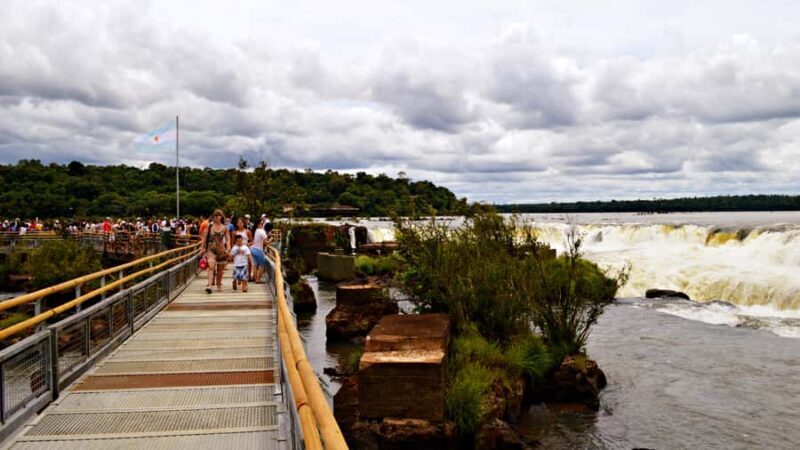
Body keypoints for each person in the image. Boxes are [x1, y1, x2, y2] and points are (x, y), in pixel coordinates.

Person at [201, 209, 230, 294]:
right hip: (211, 249)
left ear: (221, 217)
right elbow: (205, 238)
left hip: (221, 249)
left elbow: (228, 239)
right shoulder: (210, 226)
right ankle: (209, 285)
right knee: (211, 266)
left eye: (219, 215)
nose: (217, 217)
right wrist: (202, 248)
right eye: (216, 215)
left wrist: (228, 248)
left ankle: (218, 284)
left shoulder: (224, 228)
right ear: (213, 217)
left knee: (220, 269)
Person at [250, 218, 269, 283]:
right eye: (262, 223)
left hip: (253, 249)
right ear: (259, 224)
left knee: (255, 265)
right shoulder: (262, 231)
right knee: (262, 265)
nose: (263, 224)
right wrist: (270, 240)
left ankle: (255, 278)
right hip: (259, 250)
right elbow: (265, 242)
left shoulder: (255, 230)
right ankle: (258, 279)